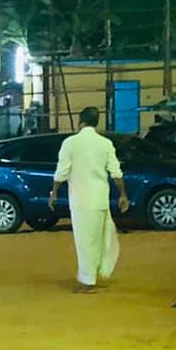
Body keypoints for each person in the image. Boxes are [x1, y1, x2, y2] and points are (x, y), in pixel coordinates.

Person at [50, 105, 131, 293]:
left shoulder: (70, 143)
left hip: (80, 200)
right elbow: (116, 172)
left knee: (85, 241)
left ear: (81, 122)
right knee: (102, 237)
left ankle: (88, 281)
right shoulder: (105, 143)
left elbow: (61, 172)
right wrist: (123, 195)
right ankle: (98, 270)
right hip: (100, 199)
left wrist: (54, 192)